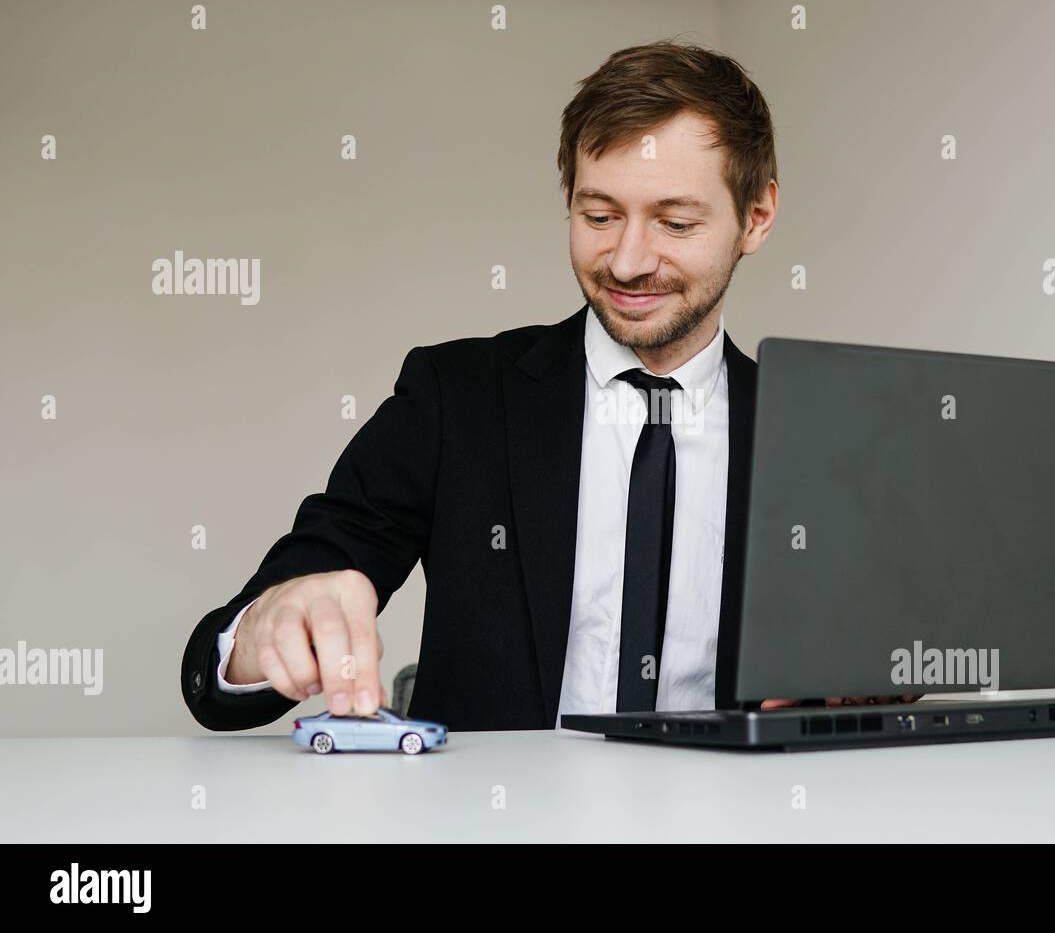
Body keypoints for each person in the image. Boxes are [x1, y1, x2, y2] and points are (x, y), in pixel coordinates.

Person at [180, 39, 913, 733]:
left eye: (675, 222)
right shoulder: (454, 397)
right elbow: (221, 676)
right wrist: (266, 627)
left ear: (755, 219)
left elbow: (875, 668)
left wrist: (882, 678)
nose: (627, 262)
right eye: (599, 216)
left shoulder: (817, 439)